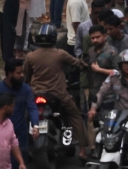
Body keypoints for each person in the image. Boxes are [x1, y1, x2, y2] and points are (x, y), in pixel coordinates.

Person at [23, 24, 88, 162]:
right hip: (58, 94)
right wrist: (83, 64)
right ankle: (82, 150)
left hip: (35, 94)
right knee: (75, 115)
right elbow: (77, 64)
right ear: (53, 38)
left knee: (24, 116)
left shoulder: (30, 56)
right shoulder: (60, 54)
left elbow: (26, 76)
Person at [89, 49, 128, 166]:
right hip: (117, 117)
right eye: (125, 63)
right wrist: (93, 108)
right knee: (101, 137)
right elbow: (101, 93)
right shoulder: (114, 77)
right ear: (120, 64)